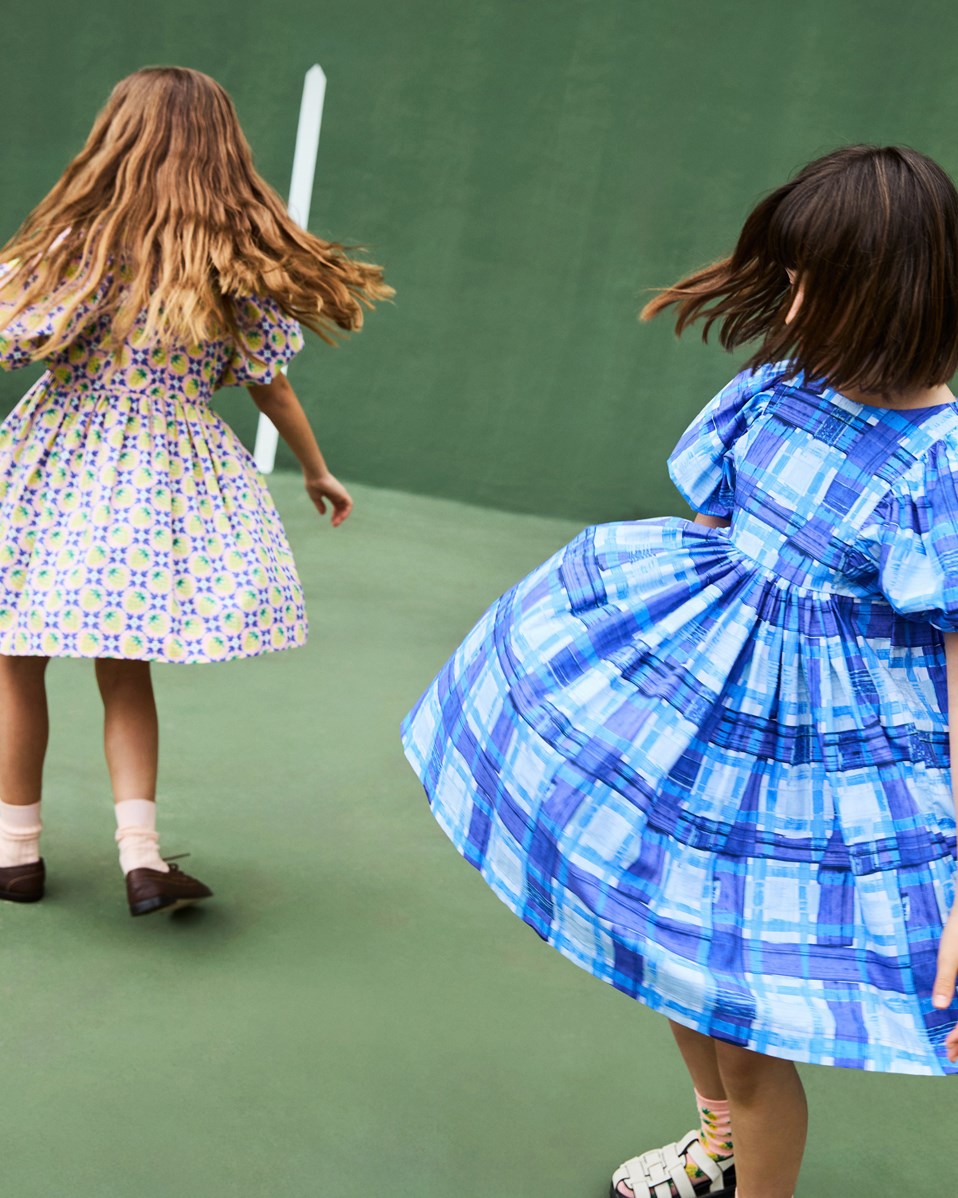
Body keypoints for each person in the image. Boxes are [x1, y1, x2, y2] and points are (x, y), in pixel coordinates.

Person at [401, 145, 958, 1198]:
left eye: (811, 284)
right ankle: (716, 1144)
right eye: (786, 280)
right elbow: (714, 536)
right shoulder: (779, 388)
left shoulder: (939, 460)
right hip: (708, 738)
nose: (789, 307)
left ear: (888, 289)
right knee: (679, 958)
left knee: (749, 1035)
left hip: (817, 773)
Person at [0, 66, 391, 917]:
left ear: (115, 139)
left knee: (13, 657)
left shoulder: (75, 249)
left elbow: (10, 339)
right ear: (224, 151)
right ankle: (140, 857)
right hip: (160, 470)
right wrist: (316, 468)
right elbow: (270, 384)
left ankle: (14, 852)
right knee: (122, 666)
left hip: (55, 460)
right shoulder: (229, 263)